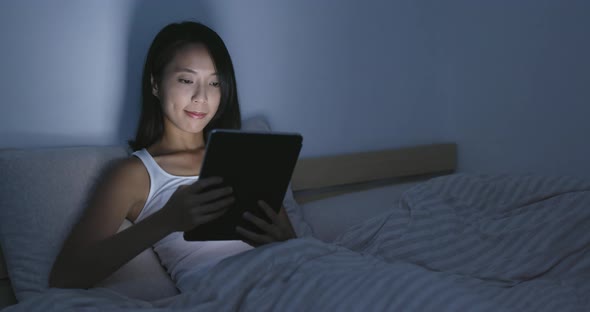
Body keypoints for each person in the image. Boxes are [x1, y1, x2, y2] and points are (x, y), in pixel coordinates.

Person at [49, 21, 296, 290]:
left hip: (291, 278)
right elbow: (65, 276)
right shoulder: (135, 174)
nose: (202, 97)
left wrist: (285, 240)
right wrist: (167, 220)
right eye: (186, 80)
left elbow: (294, 249)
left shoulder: (246, 157)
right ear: (155, 84)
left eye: (214, 82)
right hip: (230, 294)